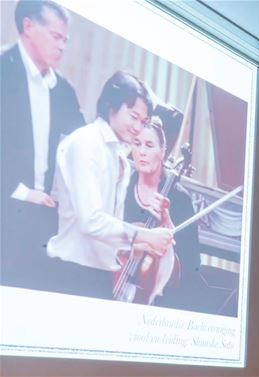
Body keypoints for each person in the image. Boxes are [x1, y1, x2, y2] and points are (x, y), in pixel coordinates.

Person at [46, 71, 174, 300]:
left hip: (99, 275)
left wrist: (136, 246)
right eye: (133, 116)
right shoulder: (86, 142)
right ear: (111, 106)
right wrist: (145, 236)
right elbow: (91, 221)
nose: (137, 127)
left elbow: (107, 229)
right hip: (71, 274)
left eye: (143, 121)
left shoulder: (119, 155)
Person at [1, 0, 85, 290]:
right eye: (55, 36)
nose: (62, 46)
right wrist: (21, 192)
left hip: (43, 221)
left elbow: (81, 146)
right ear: (28, 26)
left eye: (65, 40)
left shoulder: (64, 90)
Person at [124, 116, 200, 309]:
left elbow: (191, 263)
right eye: (137, 143)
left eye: (149, 145)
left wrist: (167, 222)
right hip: (117, 280)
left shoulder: (180, 199)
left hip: (160, 300)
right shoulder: (123, 186)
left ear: (163, 152)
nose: (142, 152)